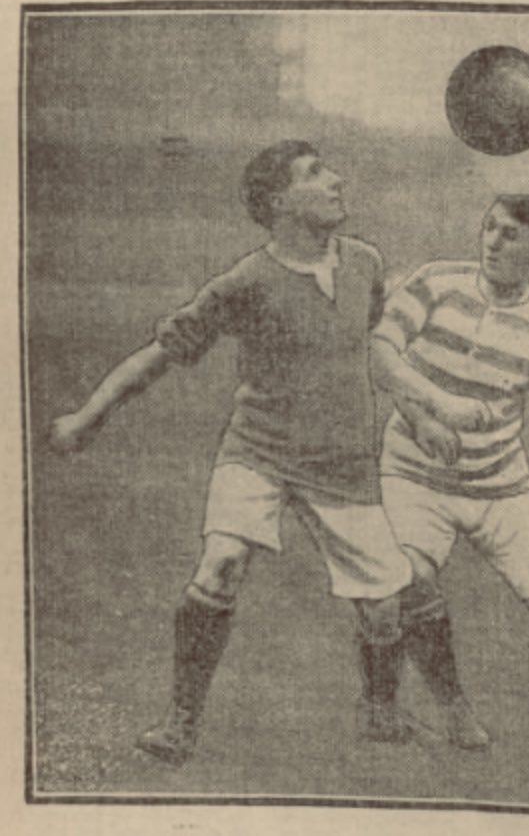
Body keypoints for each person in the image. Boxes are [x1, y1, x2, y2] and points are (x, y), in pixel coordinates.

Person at [49, 140, 423, 765]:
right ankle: (180, 721)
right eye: (315, 173)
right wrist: (88, 416)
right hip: (259, 450)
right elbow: (160, 354)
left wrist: (420, 413)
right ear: (279, 202)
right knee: (221, 563)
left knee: (385, 611)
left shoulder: (366, 264)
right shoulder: (246, 282)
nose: (336, 179)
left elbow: (378, 354)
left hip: (343, 465)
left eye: (329, 168)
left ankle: (381, 709)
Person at [370, 193, 529, 754]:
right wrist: (433, 409)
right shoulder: (437, 282)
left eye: (509, 234)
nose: (491, 241)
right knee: (410, 578)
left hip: (500, 486)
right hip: (414, 476)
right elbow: (381, 351)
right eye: (489, 227)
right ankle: (453, 707)